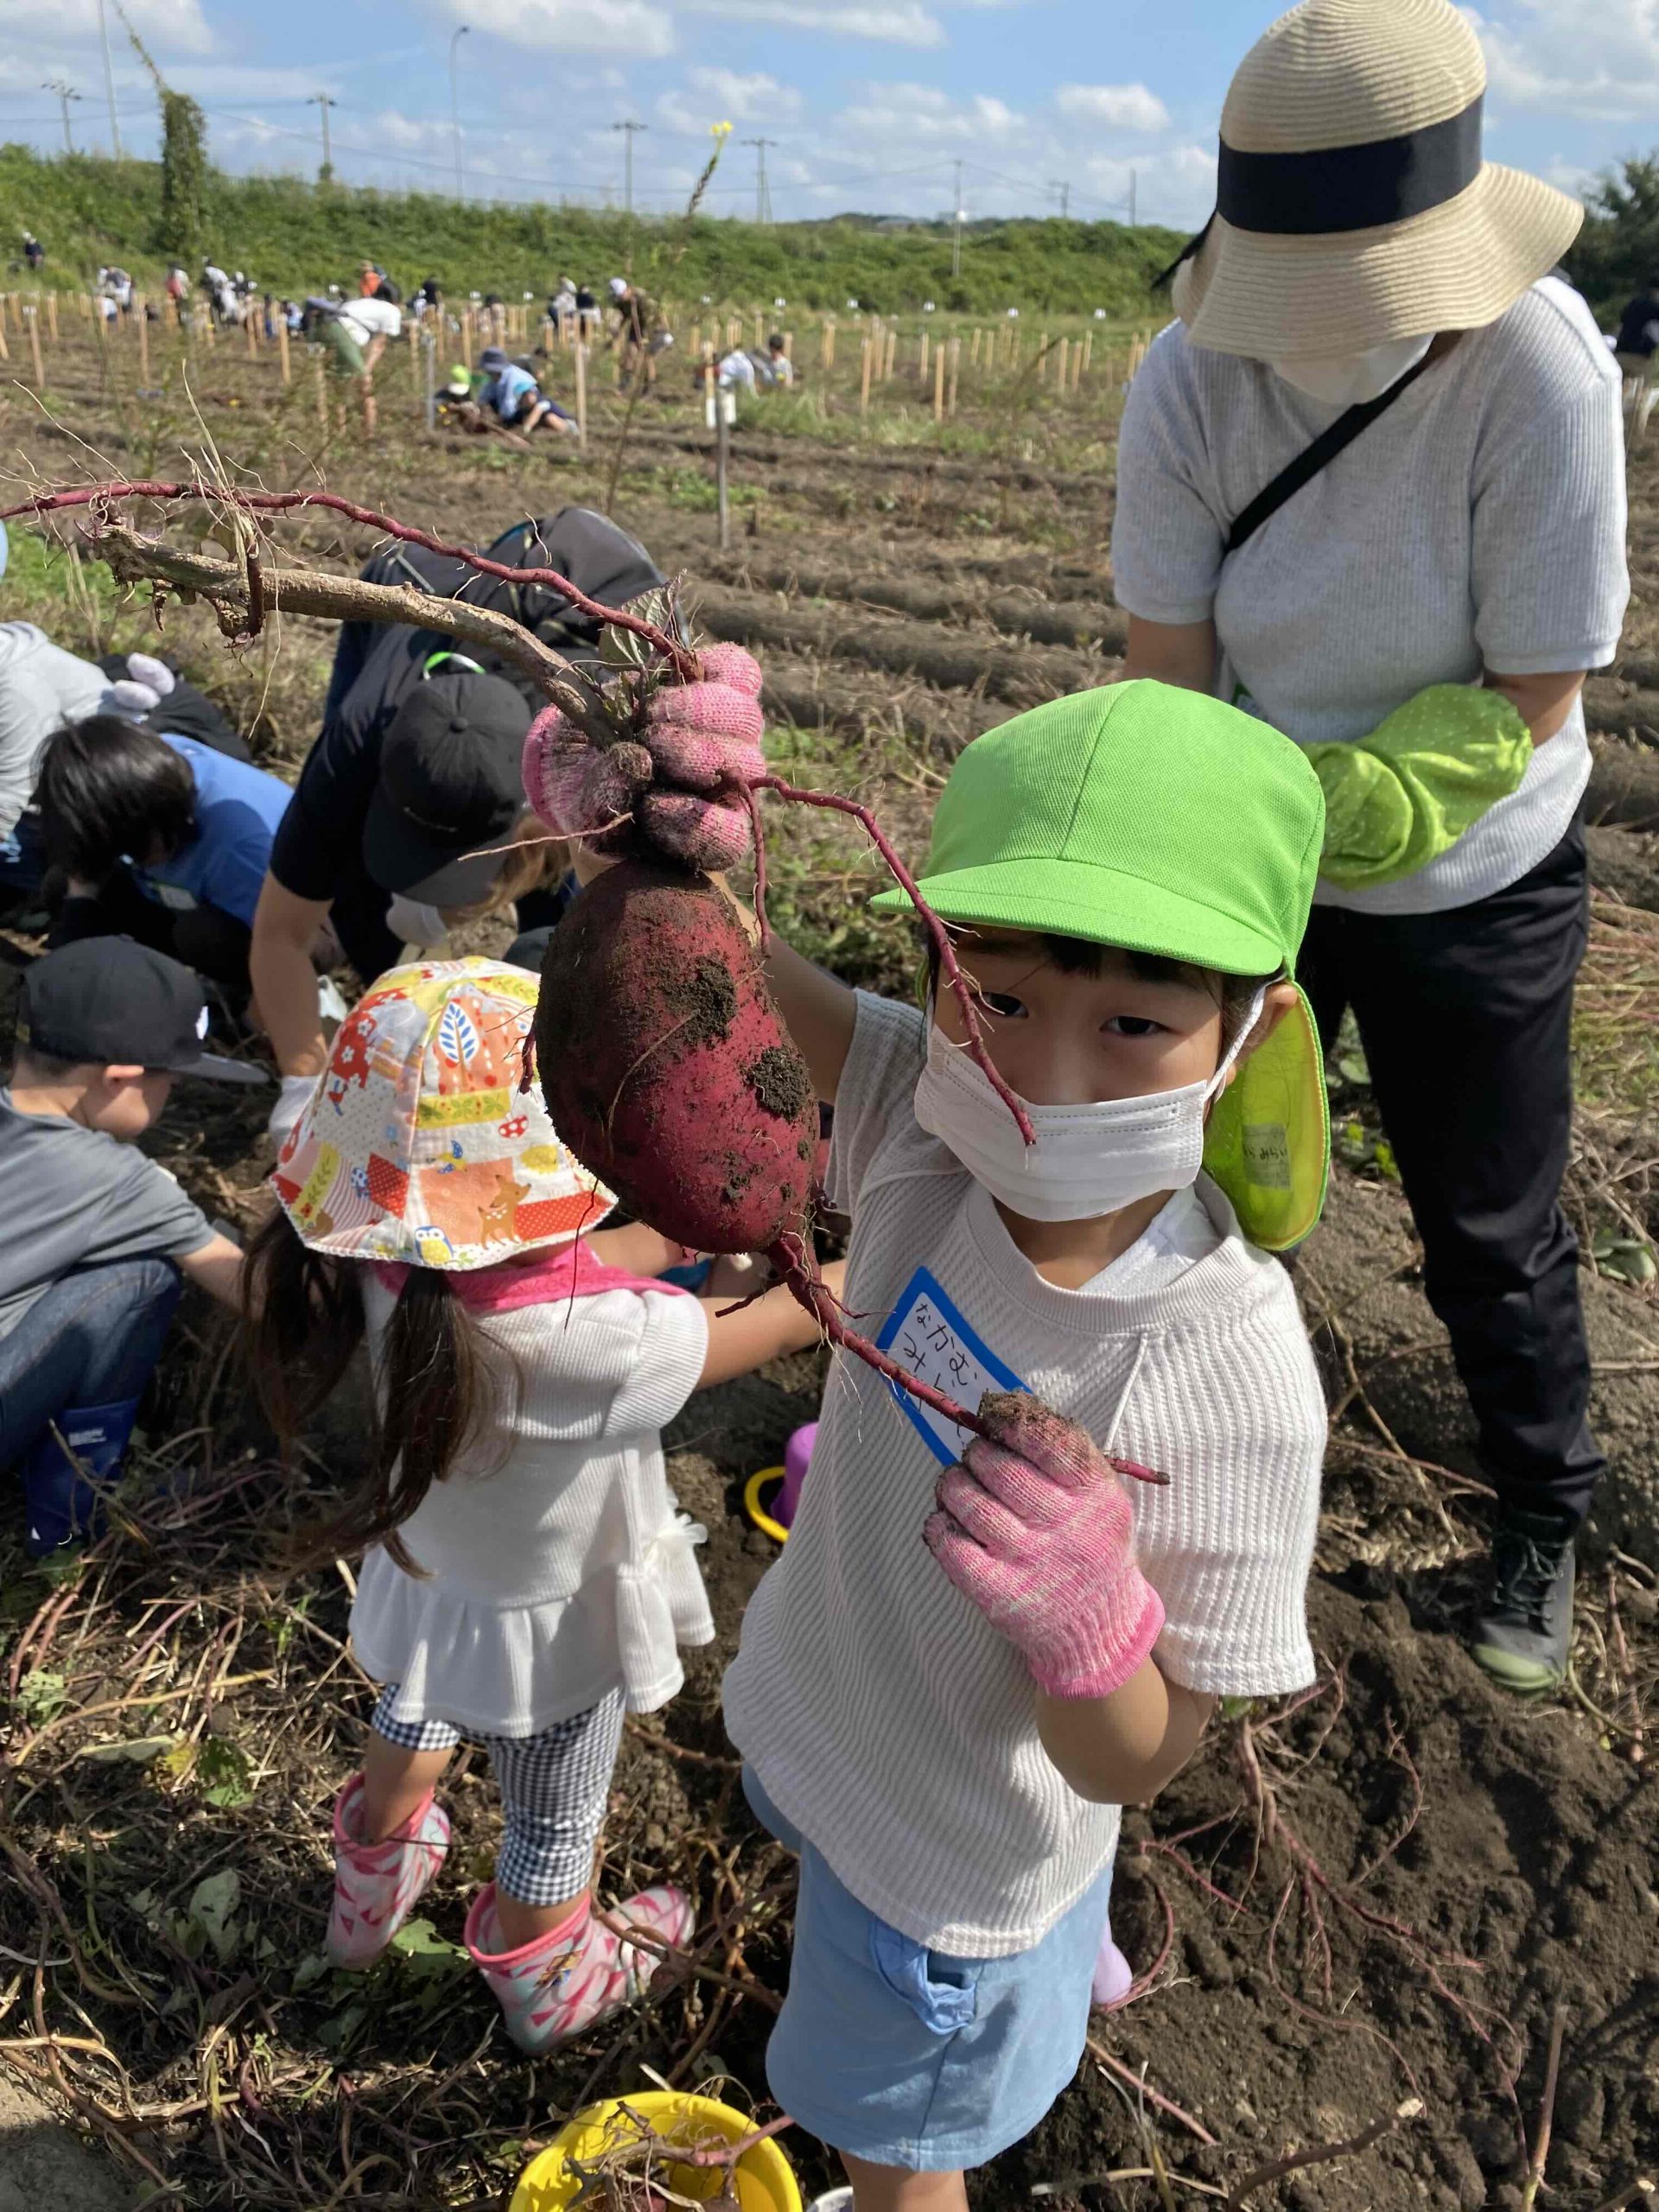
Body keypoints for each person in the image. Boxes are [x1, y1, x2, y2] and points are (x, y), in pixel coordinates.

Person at [526, 663, 1329, 2203]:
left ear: (1251, 1026)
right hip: (847, 1701)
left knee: (896, 2162)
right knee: (810, 1831)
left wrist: (1093, 1633)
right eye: (997, 998)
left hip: (949, 1872)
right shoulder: (921, 1110)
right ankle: (1046, 1947)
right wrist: (648, 829)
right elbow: (724, 967)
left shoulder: (1225, 1368)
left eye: (1139, 1023)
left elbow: (1145, 1761)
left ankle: (1034, 1976)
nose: (1041, 1078)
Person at [1110, 0, 1626, 1694]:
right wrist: (1227, 854)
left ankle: (1543, 1510)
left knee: (1488, 1221)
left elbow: (1534, 687)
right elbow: (1172, 668)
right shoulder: (1189, 379)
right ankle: (1182, 1472)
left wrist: (1377, 802)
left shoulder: (1533, 368)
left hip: (1478, 873)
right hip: (1256, 865)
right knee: (1201, 1169)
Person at [244, 957, 847, 2047]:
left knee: (416, 1703)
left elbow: (537, 1262)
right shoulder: (592, 1341)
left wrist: (665, 1240)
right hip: (550, 1625)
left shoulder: (390, 1258)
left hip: (436, 1575)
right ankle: (546, 1976)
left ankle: (369, 1886)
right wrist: (864, 1269)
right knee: (555, 1812)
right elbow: (763, 1327)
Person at [1, 938, 259, 1555]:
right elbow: (262, 1298)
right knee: (140, 1277)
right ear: (120, 1079)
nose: (169, 1098)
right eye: (170, 1082)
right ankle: (68, 1520)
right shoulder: (123, 1185)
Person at [33, 717, 298, 998]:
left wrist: (257, 1015)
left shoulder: (237, 847)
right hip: (177, 893)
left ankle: (232, 994)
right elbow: (84, 868)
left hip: (267, 919)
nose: (130, 857)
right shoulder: (130, 767)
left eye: (134, 849)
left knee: (202, 937)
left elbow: (293, 946)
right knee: (61, 888)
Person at [476, 345, 575, 435]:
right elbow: (483, 398)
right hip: (519, 413)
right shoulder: (493, 378)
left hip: (564, 423)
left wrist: (522, 429)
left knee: (549, 418)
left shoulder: (515, 378)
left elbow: (509, 406)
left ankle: (565, 434)